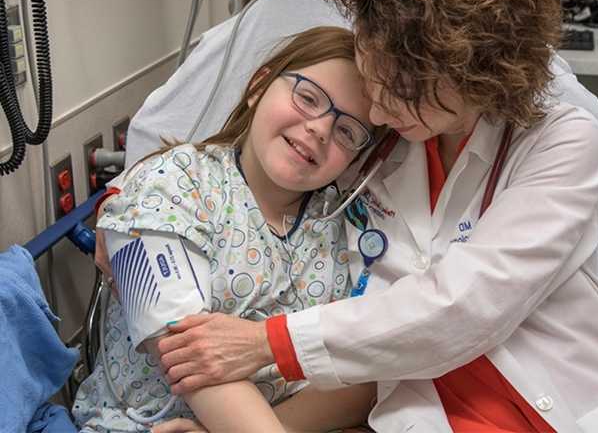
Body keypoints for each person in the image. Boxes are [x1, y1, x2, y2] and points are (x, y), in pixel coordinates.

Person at [144, 0, 598, 432]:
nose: (377, 114)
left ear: (478, 81)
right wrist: (135, 198)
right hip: (419, 408)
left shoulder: (560, 141)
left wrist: (266, 343)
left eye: (404, 93)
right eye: (372, 73)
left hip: (559, 402)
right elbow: (242, 154)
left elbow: (466, 305)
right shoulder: (372, 134)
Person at [73, 26, 381, 433]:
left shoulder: (344, 228)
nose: (320, 129)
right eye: (308, 98)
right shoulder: (169, 185)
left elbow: (362, 382)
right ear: (258, 86)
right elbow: (182, 350)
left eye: (347, 131)